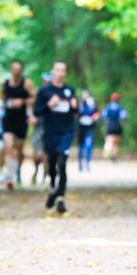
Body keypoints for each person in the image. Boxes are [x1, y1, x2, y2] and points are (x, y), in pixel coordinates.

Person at [32, 61, 77, 214]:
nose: (60, 73)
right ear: (52, 72)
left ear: (65, 73)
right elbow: (37, 112)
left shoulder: (69, 90)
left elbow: (76, 112)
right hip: (50, 132)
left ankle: (60, 199)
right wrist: (49, 105)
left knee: (62, 162)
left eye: (63, 70)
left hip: (66, 131)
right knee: (51, 164)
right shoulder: (44, 91)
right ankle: (53, 187)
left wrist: (75, 106)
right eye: (57, 70)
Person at [0, 61, 35, 190]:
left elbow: (34, 98)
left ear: (22, 70)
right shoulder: (5, 84)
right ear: (11, 70)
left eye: (18, 69)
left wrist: (22, 102)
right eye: (14, 68)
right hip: (8, 119)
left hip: (21, 120)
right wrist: (7, 103)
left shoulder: (27, 83)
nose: (16, 71)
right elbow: (2, 99)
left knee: (19, 149)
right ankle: (9, 175)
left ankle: (18, 170)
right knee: (8, 146)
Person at [30, 71, 51, 185]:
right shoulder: (38, 94)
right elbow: (30, 106)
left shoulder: (54, 93)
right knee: (37, 154)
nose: (46, 83)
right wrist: (31, 117)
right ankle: (36, 171)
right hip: (38, 127)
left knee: (45, 154)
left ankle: (44, 177)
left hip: (50, 127)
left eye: (49, 81)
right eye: (45, 80)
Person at [101, 92, 127, 161]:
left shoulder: (107, 107)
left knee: (109, 140)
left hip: (110, 125)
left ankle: (108, 152)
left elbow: (104, 116)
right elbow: (124, 117)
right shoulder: (120, 107)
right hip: (117, 126)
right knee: (116, 143)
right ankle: (114, 156)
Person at [77, 90, 98, 172]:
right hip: (81, 127)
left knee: (89, 144)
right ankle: (80, 163)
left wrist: (95, 117)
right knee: (81, 146)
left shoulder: (92, 104)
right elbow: (77, 113)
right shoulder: (80, 104)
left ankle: (87, 161)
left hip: (90, 127)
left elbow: (96, 113)